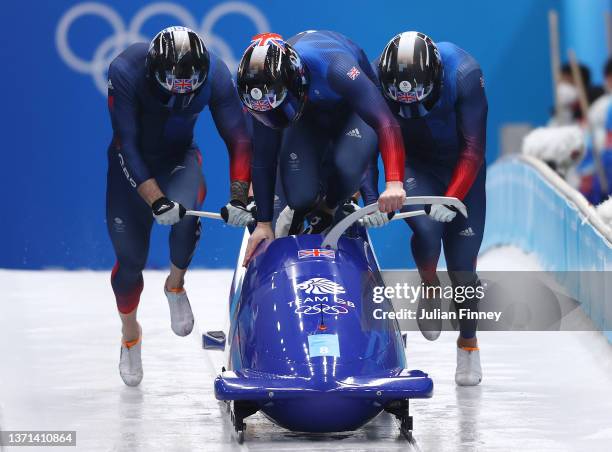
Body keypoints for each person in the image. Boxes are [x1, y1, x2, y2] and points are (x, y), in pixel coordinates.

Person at [106, 26, 253, 386]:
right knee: (130, 261)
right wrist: (155, 200)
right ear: (154, 72)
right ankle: (130, 335)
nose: (181, 91)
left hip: (178, 160)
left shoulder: (216, 73)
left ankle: (175, 285)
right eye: (172, 83)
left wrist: (239, 196)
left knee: (186, 214)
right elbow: (128, 145)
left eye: (190, 84)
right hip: (133, 166)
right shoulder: (125, 70)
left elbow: (239, 138)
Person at [359, 32, 488, 386]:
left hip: (463, 168)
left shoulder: (463, 72)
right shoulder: (375, 76)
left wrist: (456, 195)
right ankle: (430, 285)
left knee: (463, 269)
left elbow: (474, 147)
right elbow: (373, 136)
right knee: (428, 231)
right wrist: (375, 193)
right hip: (416, 166)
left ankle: (468, 344)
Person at [235, 31, 408, 265]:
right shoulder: (263, 96)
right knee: (300, 196)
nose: (271, 116)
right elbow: (264, 159)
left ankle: (330, 207)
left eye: (278, 106)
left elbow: (386, 123)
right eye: (265, 111)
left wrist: (393, 184)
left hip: (353, 112)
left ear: (297, 79)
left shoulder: (336, 66)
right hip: (307, 116)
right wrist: (263, 224)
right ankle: (309, 211)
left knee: (348, 164)